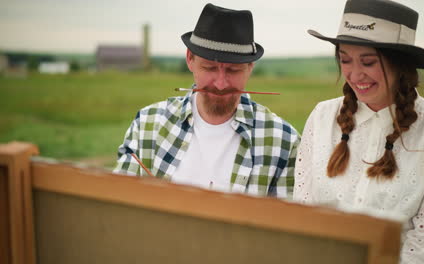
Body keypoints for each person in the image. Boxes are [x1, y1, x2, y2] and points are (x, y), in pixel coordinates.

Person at [293, 0, 424, 262]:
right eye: (345, 60)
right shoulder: (321, 117)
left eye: (369, 62)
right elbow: (303, 217)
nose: (354, 74)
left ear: (401, 64)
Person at [114, 3, 300, 198]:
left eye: (233, 70)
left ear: (250, 67)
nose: (220, 84)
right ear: (190, 60)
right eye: (210, 68)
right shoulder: (147, 125)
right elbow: (122, 205)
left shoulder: (283, 142)